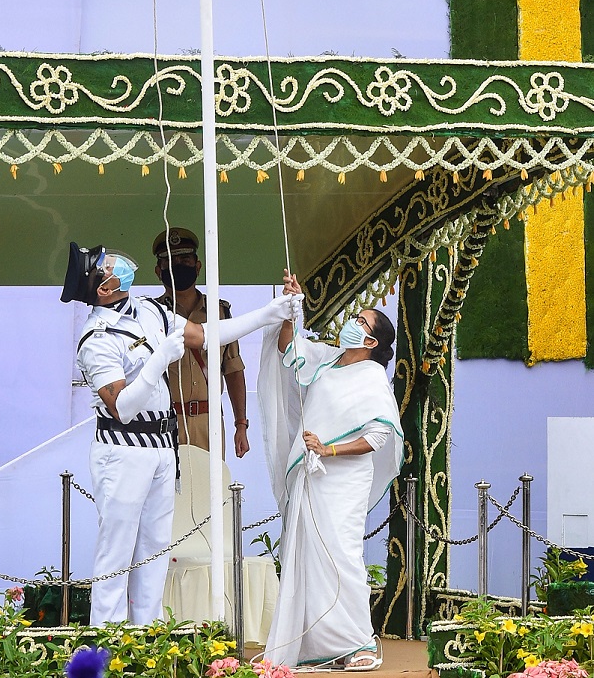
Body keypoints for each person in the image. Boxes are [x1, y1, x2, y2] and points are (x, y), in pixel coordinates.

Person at [61, 242, 301, 627]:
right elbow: (122, 407)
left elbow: (206, 334)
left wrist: (269, 313)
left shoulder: (148, 309)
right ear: (103, 288)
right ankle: (106, 637)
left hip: (161, 445)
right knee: (116, 554)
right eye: (106, 265)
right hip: (124, 449)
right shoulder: (98, 337)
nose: (115, 263)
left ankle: (146, 633)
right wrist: (158, 361)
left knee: (155, 550)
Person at [258, 272, 404, 670]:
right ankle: (318, 646)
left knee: (341, 554)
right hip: (313, 475)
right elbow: (290, 348)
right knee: (308, 555)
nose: (351, 324)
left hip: (344, 478)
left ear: (371, 343)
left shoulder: (372, 378)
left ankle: (359, 643)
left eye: (361, 322)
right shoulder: (328, 360)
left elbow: (378, 435)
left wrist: (329, 448)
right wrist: (292, 307)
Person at [152, 227, 249, 458]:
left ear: (198, 266)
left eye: (185, 260)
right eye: (170, 262)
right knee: (167, 492)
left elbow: (233, 369)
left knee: (211, 491)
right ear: (158, 271)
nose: (178, 266)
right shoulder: (152, 314)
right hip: (165, 421)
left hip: (209, 421)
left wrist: (241, 425)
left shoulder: (219, 313)